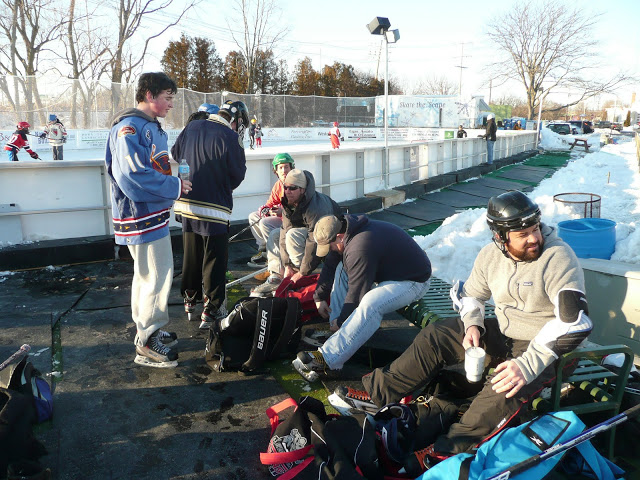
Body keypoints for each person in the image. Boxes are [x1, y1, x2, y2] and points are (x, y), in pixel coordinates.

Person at [330, 191, 593, 468]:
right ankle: (377, 395)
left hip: (549, 347)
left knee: (504, 388)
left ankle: (447, 452)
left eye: (535, 229)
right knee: (438, 335)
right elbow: (471, 295)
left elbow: (575, 322)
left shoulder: (557, 257)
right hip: (506, 333)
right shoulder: (491, 256)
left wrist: (527, 365)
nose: (534, 238)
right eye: (523, 234)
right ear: (501, 237)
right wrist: (473, 324)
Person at [105, 71, 192, 368]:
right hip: (141, 215)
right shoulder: (129, 128)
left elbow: (152, 165)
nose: (171, 105)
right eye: (167, 98)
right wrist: (174, 186)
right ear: (150, 95)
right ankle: (146, 341)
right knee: (156, 275)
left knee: (147, 275)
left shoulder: (150, 127)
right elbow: (133, 175)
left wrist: (173, 181)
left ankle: (148, 330)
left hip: (151, 213)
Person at [292, 214, 432, 382]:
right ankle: (339, 333)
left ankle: (329, 361)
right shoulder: (345, 230)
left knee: (371, 303)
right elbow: (330, 264)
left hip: (413, 281)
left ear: (339, 237)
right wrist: (319, 297)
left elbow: (357, 293)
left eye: (330, 245)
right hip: (390, 273)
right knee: (341, 268)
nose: (329, 249)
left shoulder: (360, 247)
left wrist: (343, 320)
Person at [172, 99, 248, 329]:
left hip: (186, 202)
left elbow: (176, 153)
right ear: (235, 120)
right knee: (214, 257)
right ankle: (212, 307)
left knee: (191, 252)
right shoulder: (230, 137)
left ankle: (189, 297)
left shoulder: (192, 126)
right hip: (214, 207)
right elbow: (237, 174)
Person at [251, 169, 342, 297]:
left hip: (330, 236)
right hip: (307, 232)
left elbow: (314, 242)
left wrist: (302, 272)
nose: (288, 191)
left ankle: (300, 277)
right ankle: (277, 275)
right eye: (285, 187)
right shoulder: (288, 202)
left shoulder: (316, 208)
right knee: (275, 234)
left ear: (303, 190)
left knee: (293, 235)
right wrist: (287, 264)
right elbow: (284, 230)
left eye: (292, 188)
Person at [246, 153, 295, 269]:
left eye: (286, 167)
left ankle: (276, 255)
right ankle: (264, 250)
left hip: (293, 221)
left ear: (291, 168)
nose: (284, 170)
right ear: (276, 170)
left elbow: (300, 207)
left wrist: (282, 211)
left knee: (265, 223)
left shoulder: (296, 184)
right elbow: (270, 203)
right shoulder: (278, 185)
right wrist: (265, 209)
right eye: (280, 167)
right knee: (253, 216)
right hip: (281, 218)